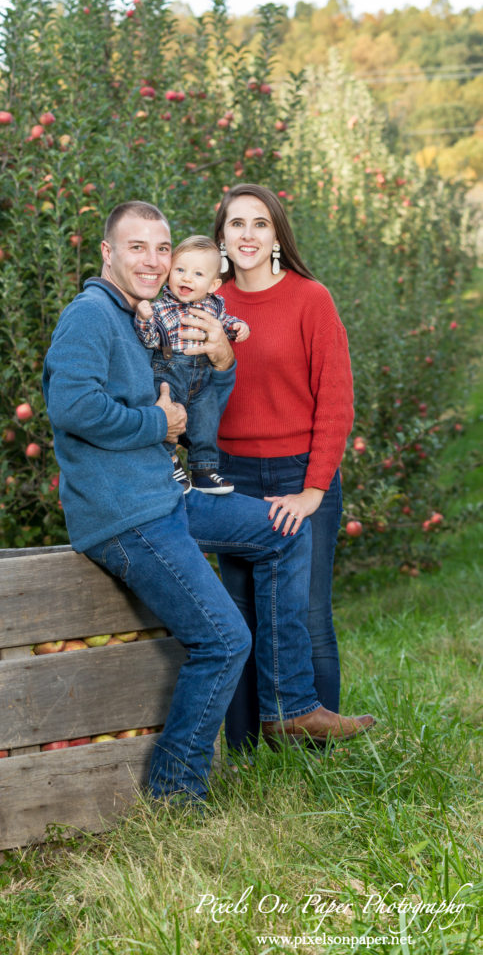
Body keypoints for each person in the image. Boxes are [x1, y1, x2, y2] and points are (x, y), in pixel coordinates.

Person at [42, 200, 373, 803]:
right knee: (224, 640)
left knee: (286, 530)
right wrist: (155, 422)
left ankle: (287, 706)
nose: (152, 259)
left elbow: (190, 408)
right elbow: (72, 409)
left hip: (164, 497)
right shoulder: (91, 315)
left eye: (161, 248)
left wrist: (219, 364)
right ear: (107, 254)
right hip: (128, 516)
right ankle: (175, 791)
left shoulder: (141, 316)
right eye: (136, 247)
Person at [213, 183, 355, 757]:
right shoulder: (208, 306)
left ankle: (317, 757)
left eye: (260, 224)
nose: (248, 235)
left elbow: (336, 400)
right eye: (236, 224)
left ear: (277, 237)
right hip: (232, 478)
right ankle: (248, 756)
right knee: (241, 617)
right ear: (221, 236)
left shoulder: (310, 299)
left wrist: (315, 488)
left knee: (306, 614)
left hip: (301, 475)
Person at [134, 235, 249, 494]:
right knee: (166, 417)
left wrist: (238, 326)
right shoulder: (161, 307)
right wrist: (143, 318)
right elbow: (150, 339)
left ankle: (203, 469)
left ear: (213, 284)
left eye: (197, 274)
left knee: (207, 420)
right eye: (180, 270)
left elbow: (226, 323)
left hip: (202, 377)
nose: (186, 278)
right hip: (169, 373)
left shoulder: (214, 306)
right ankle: (169, 462)